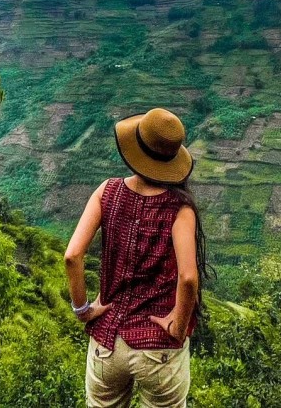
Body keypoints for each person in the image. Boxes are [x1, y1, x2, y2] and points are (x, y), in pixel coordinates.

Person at [64, 108, 209, 408]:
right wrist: (178, 326)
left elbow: (72, 255)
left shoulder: (107, 191)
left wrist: (82, 309)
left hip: (108, 342)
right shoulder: (180, 208)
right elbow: (189, 277)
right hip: (158, 349)